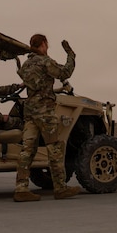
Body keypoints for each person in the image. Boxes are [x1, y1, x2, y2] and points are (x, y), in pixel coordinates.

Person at [13, 34, 80, 202]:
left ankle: (21, 188)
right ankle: (60, 187)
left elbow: (26, 80)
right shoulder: (45, 61)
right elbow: (65, 72)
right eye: (46, 45)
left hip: (30, 113)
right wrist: (71, 54)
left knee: (27, 150)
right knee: (55, 149)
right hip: (45, 113)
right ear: (43, 44)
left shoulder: (26, 65)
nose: (47, 48)